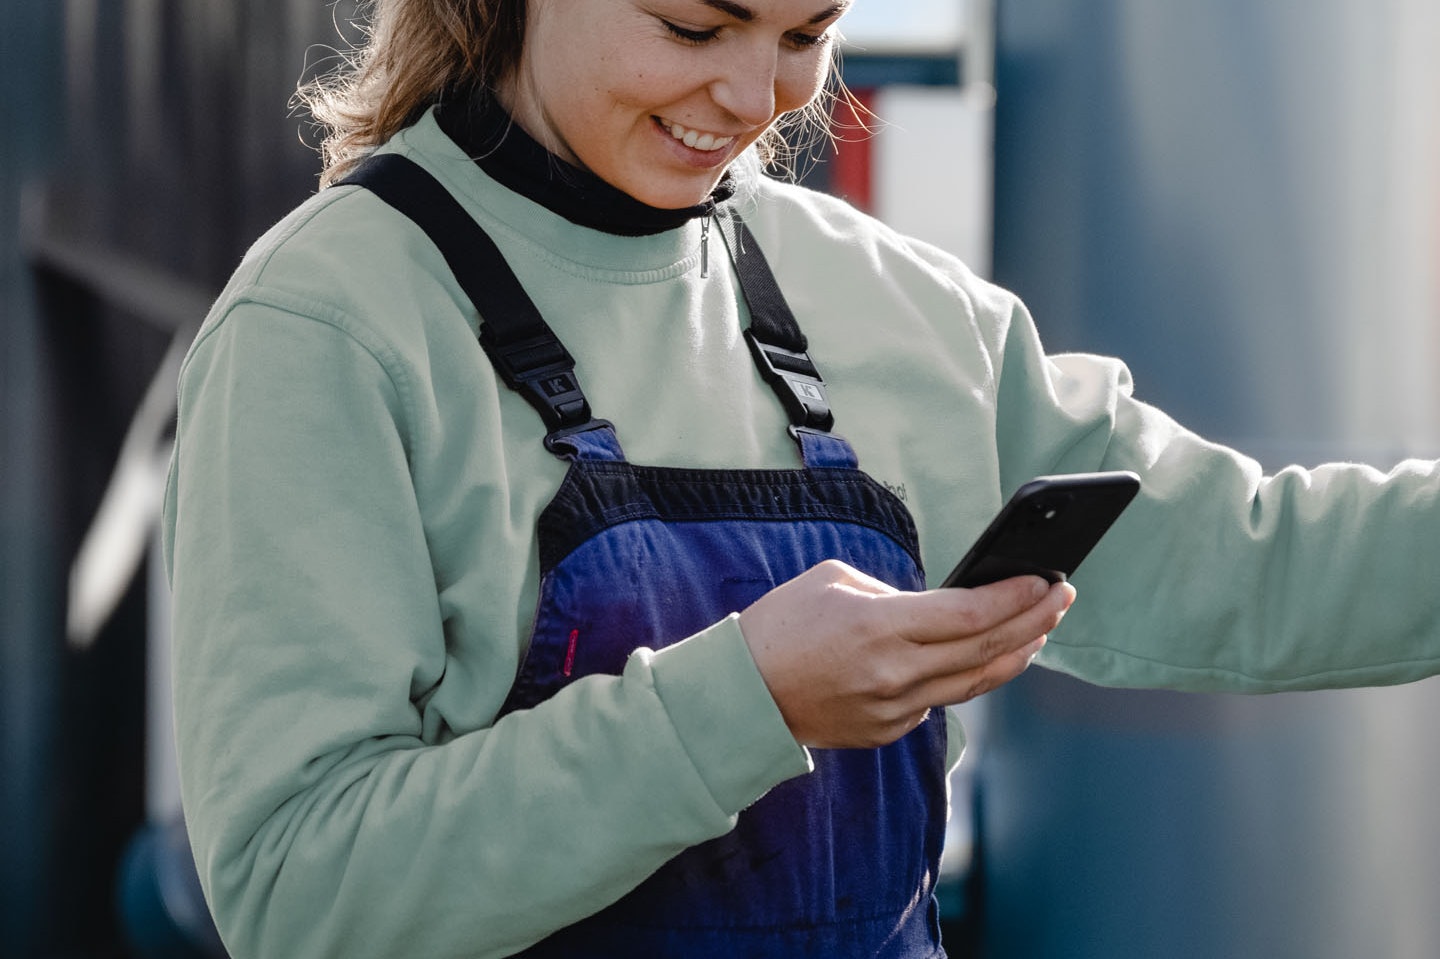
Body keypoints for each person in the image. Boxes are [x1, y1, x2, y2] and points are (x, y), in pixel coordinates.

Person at [161, 1, 1440, 957]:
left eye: (804, 30)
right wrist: (747, 700)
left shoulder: (889, 305)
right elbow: (296, 890)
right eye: (695, 23)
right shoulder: (325, 331)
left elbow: (1252, 560)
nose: (748, 93)